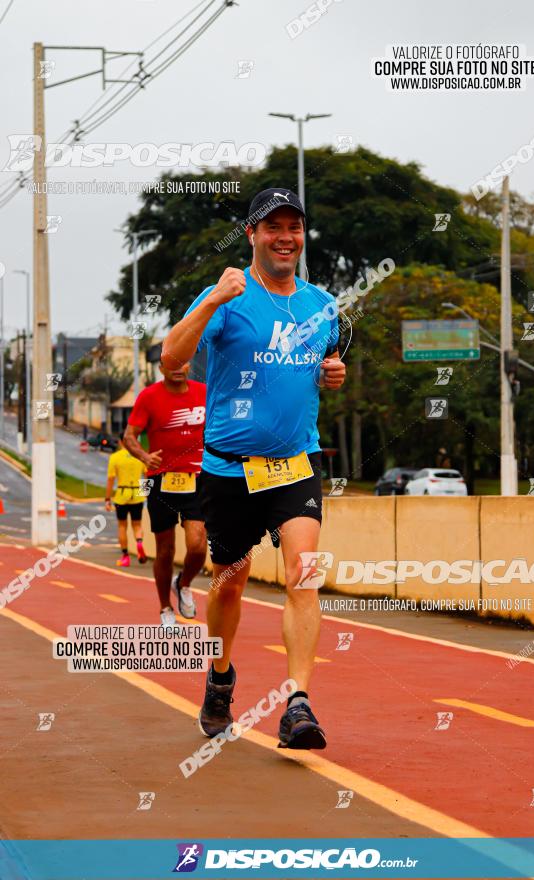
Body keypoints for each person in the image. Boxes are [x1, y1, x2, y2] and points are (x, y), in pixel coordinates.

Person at [162, 187, 346, 750]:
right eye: (273, 228)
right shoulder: (228, 297)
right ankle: (220, 678)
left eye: (293, 227)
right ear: (252, 235)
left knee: (303, 574)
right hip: (228, 469)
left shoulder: (321, 305)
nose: (285, 237)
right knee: (231, 581)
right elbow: (172, 358)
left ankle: (298, 704)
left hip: (296, 464)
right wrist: (213, 300)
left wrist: (331, 375)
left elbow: (319, 368)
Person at [123, 361, 207, 627]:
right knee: (165, 550)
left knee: (197, 545)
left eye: (182, 361)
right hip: (161, 482)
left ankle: (182, 583)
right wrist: (145, 457)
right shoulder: (149, 397)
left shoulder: (204, 392)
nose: (177, 368)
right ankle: (165, 607)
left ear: (189, 363)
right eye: (170, 363)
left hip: (197, 478)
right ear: (160, 367)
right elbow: (129, 436)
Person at [105, 434, 148, 567]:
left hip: (122, 495)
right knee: (137, 525)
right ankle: (139, 542)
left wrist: (107, 498)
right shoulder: (140, 456)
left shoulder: (115, 457)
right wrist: (145, 494)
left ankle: (125, 557)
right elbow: (147, 476)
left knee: (122, 526)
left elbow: (111, 479)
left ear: (120, 442)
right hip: (137, 495)